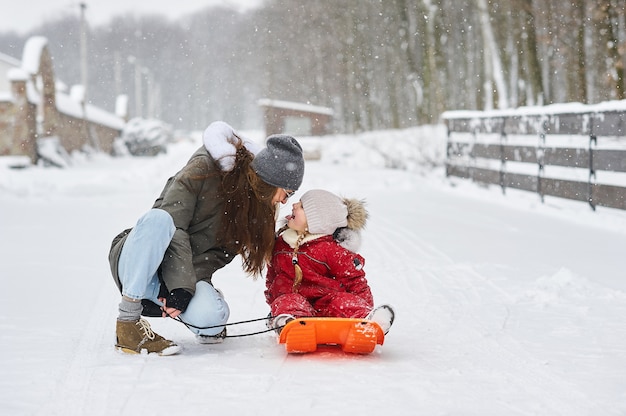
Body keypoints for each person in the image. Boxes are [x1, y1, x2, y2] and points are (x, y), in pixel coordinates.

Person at [108, 121, 305, 355]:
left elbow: (216, 256)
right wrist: (179, 287)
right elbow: (174, 224)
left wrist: (185, 287)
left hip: (184, 275)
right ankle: (128, 324)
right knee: (158, 220)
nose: (285, 201)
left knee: (210, 321)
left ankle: (205, 301)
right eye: (287, 193)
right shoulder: (205, 168)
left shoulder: (258, 209)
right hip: (140, 262)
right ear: (269, 181)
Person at [264, 189, 395, 334]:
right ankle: (291, 324)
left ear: (316, 221)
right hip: (299, 311)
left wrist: (364, 306)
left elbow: (354, 281)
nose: (294, 204)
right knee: (287, 300)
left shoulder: (331, 249)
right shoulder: (281, 244)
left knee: (343, 302)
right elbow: (273, 277)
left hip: (330, 309)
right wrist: (275, 304)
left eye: (301, 206)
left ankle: (367, 322)